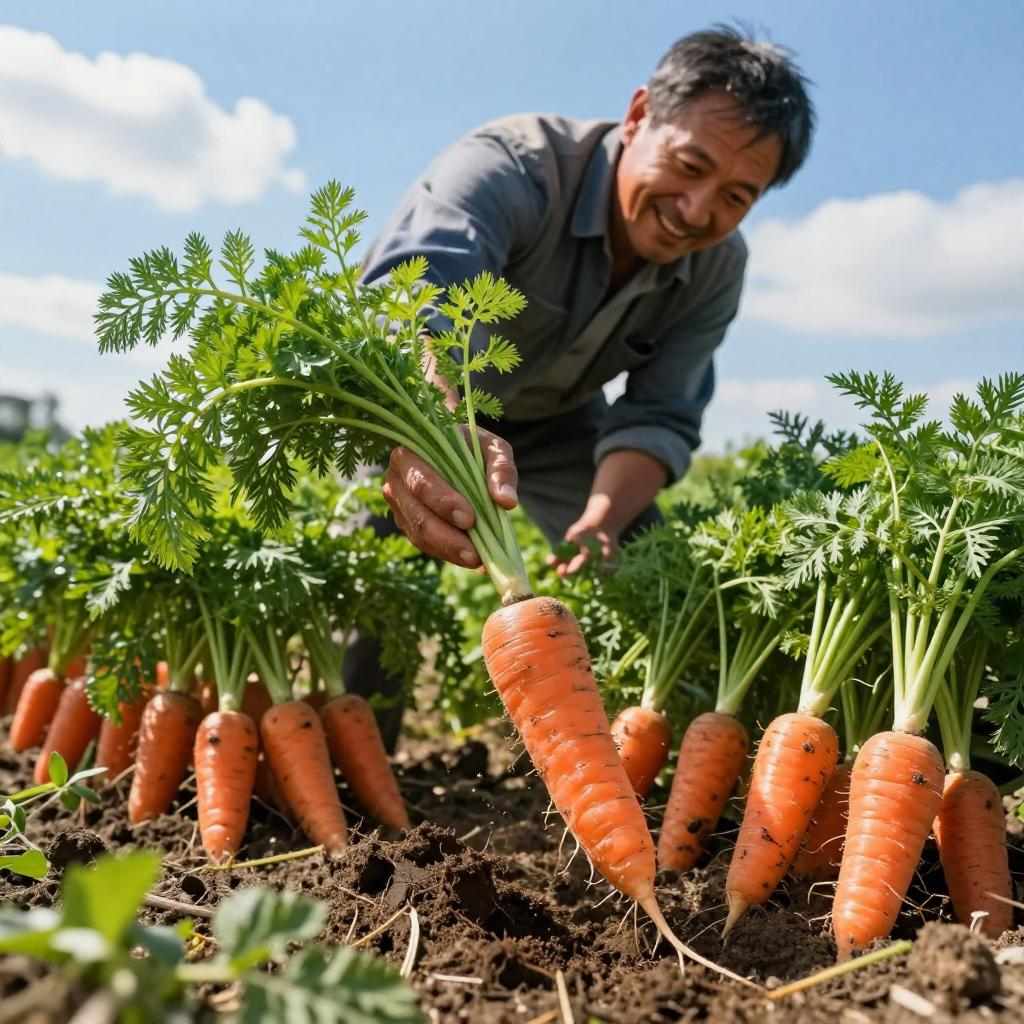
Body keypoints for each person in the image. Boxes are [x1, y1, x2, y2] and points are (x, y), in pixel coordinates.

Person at [343, 25, 815, 747]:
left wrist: (602, 520)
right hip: (423, 399)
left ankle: (687, 756)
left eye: (736, 196)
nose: (696, 210)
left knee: (661, 575)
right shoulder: (511, 168)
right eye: (688, 165)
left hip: (561, 421)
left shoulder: (718, 267)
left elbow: (662, 411)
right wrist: (432, 434)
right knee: (384, 568)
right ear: (636, 117)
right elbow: (413, 304)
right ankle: (362, 772)